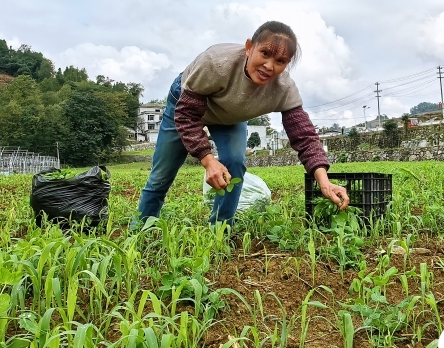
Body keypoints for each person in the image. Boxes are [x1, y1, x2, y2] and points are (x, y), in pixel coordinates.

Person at [132, 21, 349, 229]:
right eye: (265, 53)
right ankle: (141, 229)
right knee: (162, 174)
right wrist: (208, 161)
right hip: (186, 104)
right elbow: (187, 116)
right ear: (249, 48)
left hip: (231, 114)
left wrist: (324, 182)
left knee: (235, 162)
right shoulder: (216, 63)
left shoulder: (283, 89)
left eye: (280, 61)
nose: (269, 66)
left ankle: (221, 229)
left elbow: (305, 136)